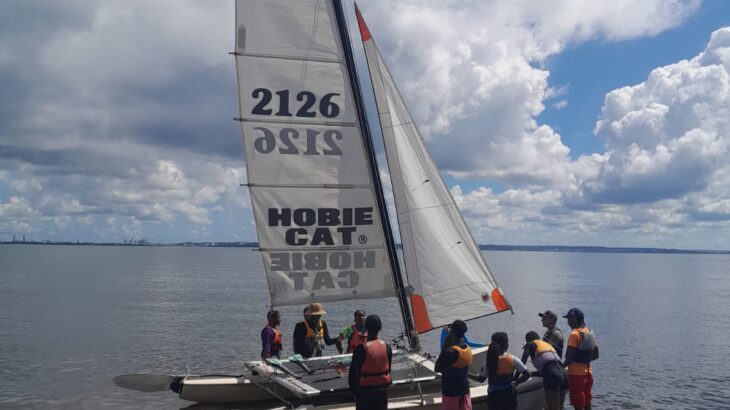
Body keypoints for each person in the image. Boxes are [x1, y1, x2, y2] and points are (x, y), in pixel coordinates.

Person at [348, 315, 392, 410]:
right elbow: (388, 370)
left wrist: (354, 393)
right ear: (380, 327)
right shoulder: (387, 347)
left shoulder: (361, 349)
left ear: (366, 328)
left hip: (364, 393)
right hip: (382, 393)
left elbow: (352, 374)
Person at [478, 332, 530, 410]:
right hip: (509, 394)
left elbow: (481, 379)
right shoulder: (513, 359)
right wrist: (515, 383)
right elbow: (527, 374)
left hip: (494, 396)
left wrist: (467, 374)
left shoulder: (489, 360)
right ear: (506, 345)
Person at [563, 308, 599, 410]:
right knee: (587, 402)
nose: (568, 322)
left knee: (578, 404)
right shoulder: (591, 332)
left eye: (569, 319)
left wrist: (561, 367)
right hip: (588, 373)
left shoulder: (574, 334)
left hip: (576, 375)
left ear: (574, 319)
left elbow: (570, 357)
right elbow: (596, 355)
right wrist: (584, 359)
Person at [521, 331, 567, 410]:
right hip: (564, 374)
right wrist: (532, 374)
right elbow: (549, 367)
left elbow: (522, 364)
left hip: (552, 375)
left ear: (528, 340)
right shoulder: (547, 345)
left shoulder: (530, 344)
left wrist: (515, 379)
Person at [435, 320, 474, 410]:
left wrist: (445, 346)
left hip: (451, 392)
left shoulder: (450, 352)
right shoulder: (467, 349)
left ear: (451, 332)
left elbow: (437, 368)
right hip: (465, 391)